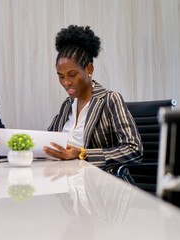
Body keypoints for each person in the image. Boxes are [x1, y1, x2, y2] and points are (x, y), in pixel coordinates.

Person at [43, 25, 142, 167]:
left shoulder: (110, 100)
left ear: (89, 69)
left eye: (72, 75)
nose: (66, 83)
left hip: (99, 182)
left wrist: (82, 154)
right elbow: (48, 141)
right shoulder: (67, 105)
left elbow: (134, 150)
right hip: (65, 180)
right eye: (61, 76)